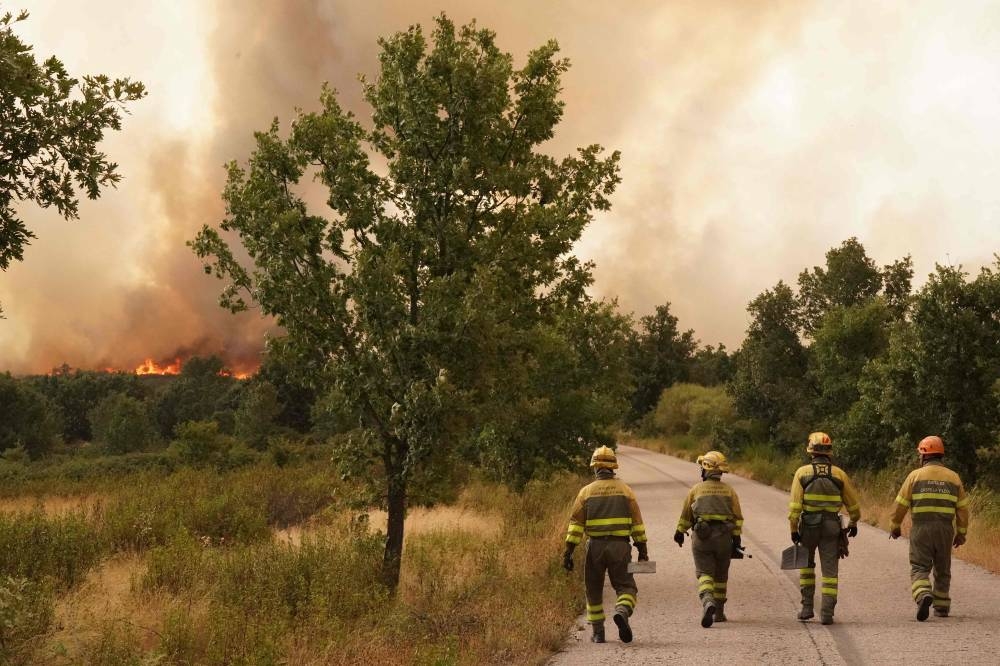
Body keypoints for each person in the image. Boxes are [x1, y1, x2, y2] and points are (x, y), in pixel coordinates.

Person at [563, 445, 648, 644]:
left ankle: (598, 633)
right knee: (627, 587)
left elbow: (576, 525)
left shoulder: (586, 492)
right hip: (620, 547)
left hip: (595, 547)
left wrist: (568, 552)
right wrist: (642, 549)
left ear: (595, 467)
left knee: (593, 588)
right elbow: (637, 524)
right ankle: (622, 611)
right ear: (613, 467)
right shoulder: (626, 491)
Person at [890, 435, 970, 621]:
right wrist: (961, 533)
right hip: (945, 529)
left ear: (924, 455)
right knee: (943, 568)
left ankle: (923, 594)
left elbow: (900, 504)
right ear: (940, 455)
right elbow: (963, 509)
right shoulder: (953, 477)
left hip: (921, 528)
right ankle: (941, 606)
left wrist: (895, 525)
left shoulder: (915, 476)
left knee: (919, 566)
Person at [787, 432, 861, 625]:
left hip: (809, 526)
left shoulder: (802, 473)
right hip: (831, 527)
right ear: (829, 452)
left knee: (805, 566)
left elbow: (795, 506)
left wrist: (794, 528)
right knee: (830, 572)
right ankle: (827, 613)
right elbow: (853, 506)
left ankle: (806, 608)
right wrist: (853, 522)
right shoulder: (839, 474)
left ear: (810, 451)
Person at [673, 450, 744, 627]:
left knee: (705, 574)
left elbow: (686, 515)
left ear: (705, 469)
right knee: (721, 576)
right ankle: (718, 613)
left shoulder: (696, 490)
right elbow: (737, 518)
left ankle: (707, 601)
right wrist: (737, 540)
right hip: (724, 539)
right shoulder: (729, 491)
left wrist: (680, 532)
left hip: (702, 538)